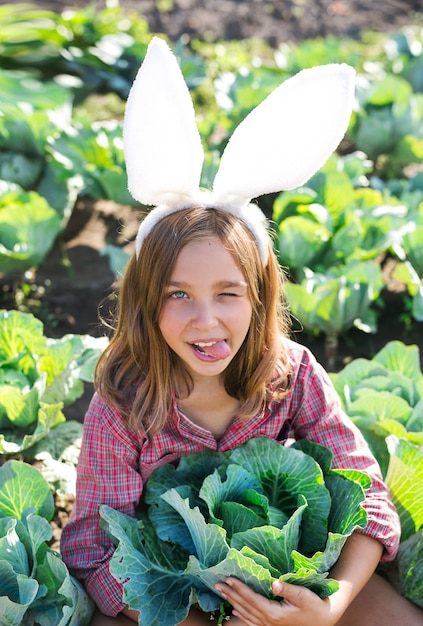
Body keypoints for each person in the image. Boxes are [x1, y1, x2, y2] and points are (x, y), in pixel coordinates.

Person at [60, 37, 423, 625]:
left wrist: (328, 607)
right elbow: (94, 551)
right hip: (170, 603)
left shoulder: (294, 374)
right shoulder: (123, 402)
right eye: (178, 295)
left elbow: (367, 501)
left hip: (293, 586)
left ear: (258, 298)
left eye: (227, 294)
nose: (206, 320)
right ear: (146, 305)